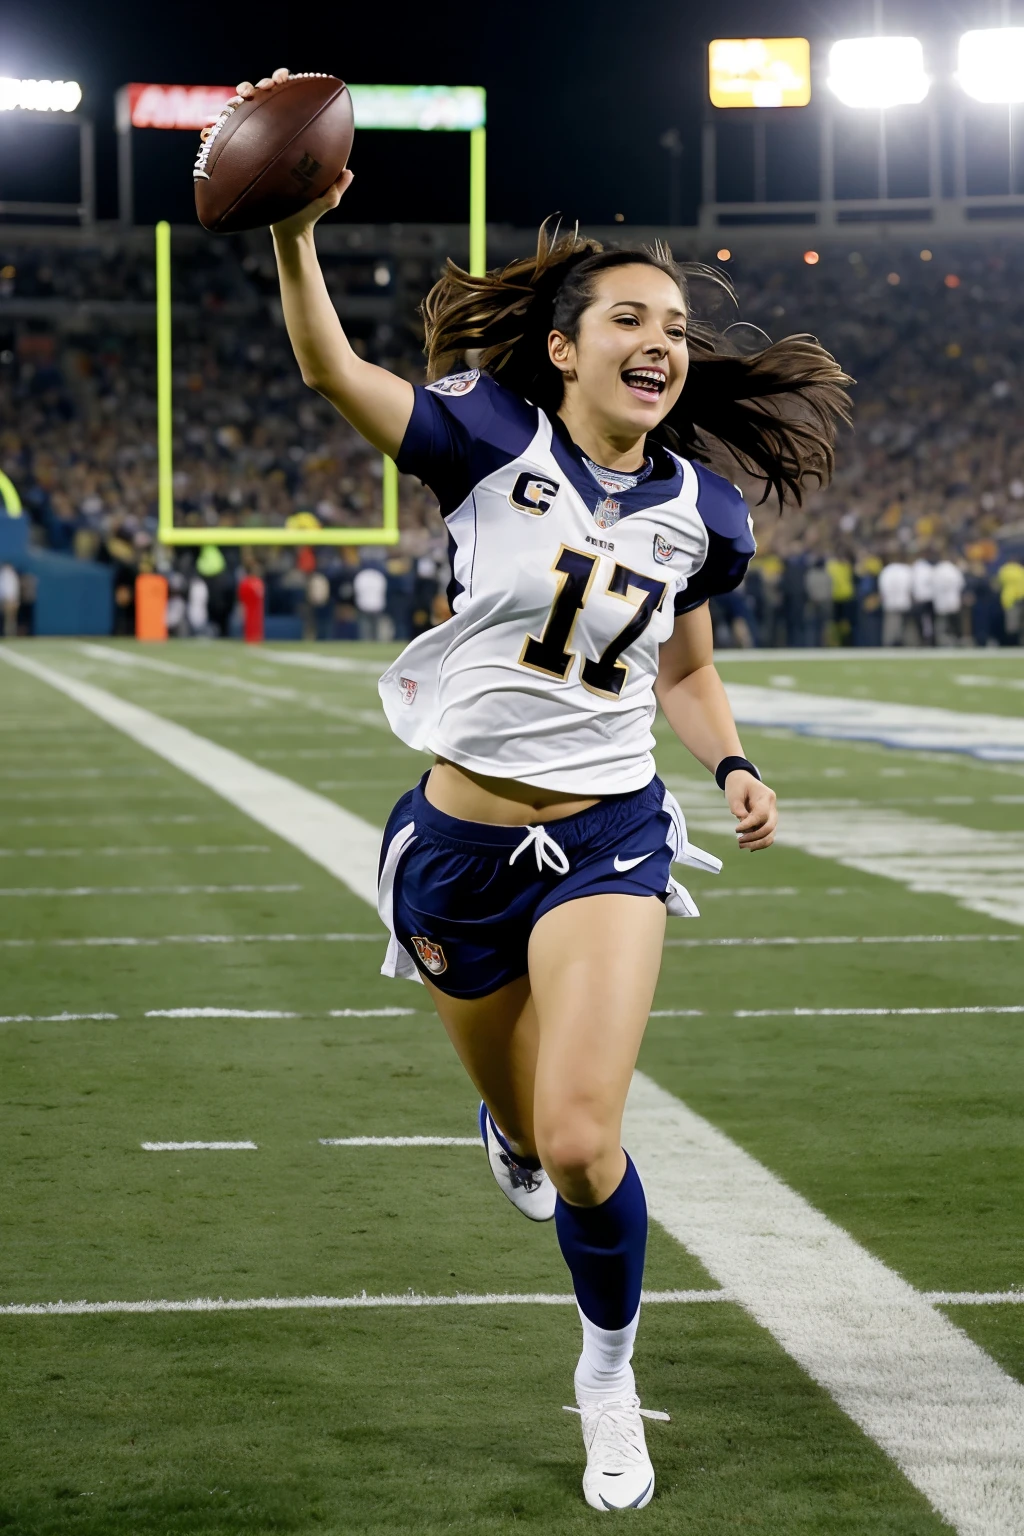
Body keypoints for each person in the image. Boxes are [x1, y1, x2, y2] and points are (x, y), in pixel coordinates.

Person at [246, 64, 851, 1512]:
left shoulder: (703, 510)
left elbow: (687, 672)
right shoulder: (483, 441)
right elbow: (336, 373)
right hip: (457, 846)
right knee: (525, 1129)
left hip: (608, 837)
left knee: (586, 1142)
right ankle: (506, 1133)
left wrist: (736, 762)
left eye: (679, 328)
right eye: (630, 319)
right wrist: (291, 233)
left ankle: (606, 1370)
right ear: (567, 350)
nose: (662, 342)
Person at [878, 556, 913, 646]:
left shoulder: (886, 570)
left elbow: (882, 588)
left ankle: (889, 644)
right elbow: (911, 587)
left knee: (891, 626)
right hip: (904, 601)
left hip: (890, 602)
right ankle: (907, 644)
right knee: (906, 626)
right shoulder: (906, 570)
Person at [931, 555, 965, 647]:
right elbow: (961, 585)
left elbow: (932, 585)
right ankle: (956, 640)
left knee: (941, 623)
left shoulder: (937, 570)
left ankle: (940, 641)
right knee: (953, 623)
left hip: (940, 602)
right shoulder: (954, 570)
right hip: (952, 600)